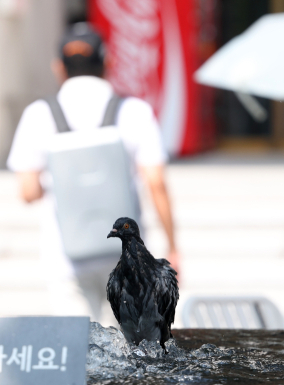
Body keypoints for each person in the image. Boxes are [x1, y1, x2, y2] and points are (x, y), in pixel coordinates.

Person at [6, 23, 179, 325]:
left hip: (67, 255)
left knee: (78, 350)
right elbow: (156, 182)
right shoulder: (134, 111)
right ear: (109, 62)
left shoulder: (39, 113)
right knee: (129, 353)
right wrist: (173, 247)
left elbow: (29, 192)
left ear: (59, 67)